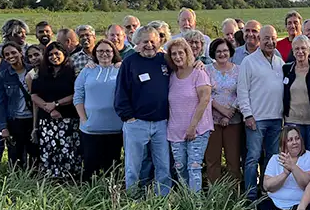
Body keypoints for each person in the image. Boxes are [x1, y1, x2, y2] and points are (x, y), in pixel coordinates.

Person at [115, 26, 172, 195]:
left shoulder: (164, 60)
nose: (149, 45)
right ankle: (133, 196)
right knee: (134, 165)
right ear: (137, 43)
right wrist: (128, 117)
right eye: (145, 41)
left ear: (159, 42)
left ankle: (162, 197)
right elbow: (121, 92)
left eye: (153, 41)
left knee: (163, 165)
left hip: (161, 123)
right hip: (136, 122)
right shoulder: (129, 62)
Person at [237, 25, 285, 200]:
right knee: (252, 158)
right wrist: (247, 115)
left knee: (272, 158)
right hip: (256, 119)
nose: (270, 42)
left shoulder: (280, 62)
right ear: (259, 40)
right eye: (266, 38)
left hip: (276, 119)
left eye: (273, 38)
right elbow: (242, 91)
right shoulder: (248, 62)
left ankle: (267, 192)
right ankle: (250, 195)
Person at [164, 36, 213, 192]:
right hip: (175, 130)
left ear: (187, 53)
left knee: (194, 167)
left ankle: (195, 204)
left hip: (197, 129)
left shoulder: (199, 72)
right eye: (173, 54)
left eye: (181, 53)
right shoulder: (171, 76)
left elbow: (205, 99)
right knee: (180, 168)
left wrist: (193, 126)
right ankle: (185, 200)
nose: (177, 57)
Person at [74, 39, 124, 183]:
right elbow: (78, 95)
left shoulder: (120, 70)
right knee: (90, 165)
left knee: (112, 166)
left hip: (115, 128)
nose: (104, 54)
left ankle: (112, 195)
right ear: (95, 53)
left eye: (108, 51)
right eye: (100, 51)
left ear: (114, 52)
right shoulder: (87, 70)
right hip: (91, 128)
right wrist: (84, 119)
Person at [30, 42, 81, 181]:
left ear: (64, 54)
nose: (54, 57)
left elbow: (76, 94)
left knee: (68, 149)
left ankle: (69, 179)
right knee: (49, 149)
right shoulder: (42, 72)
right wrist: (47, 107)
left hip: (68, 119)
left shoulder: (72, 72)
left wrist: (56, 104)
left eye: (57, 53)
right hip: (46, 120)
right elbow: (34, 94)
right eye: (50, 54)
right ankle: (51, 178)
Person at [205, 38, 242, 188]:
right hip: (212, 121)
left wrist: (229, 113)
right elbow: (205, 94)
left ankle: (234, 194)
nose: (222, 54)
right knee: (212, 160)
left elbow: (242, 92)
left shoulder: (239, 70)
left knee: (233, 159)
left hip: (234, 121)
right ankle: (215, 194)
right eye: (219, 51)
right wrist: (222, 112)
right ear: (213, 52)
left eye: (225, 51)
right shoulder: (206, 70)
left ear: (230, 52)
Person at [258, 125, 310, 210]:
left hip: (300, 205)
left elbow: (306, 185)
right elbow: (267, 186)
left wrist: (293, 167)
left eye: (297, 138)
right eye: (290, 140)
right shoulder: (275, 159)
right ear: (283, 143)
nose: (295, 142)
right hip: (275, 203)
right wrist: (285, 174)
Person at [0, 42, 37, 169]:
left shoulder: (33, 70)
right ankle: (17, 183)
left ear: (21, 53)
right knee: (15, 157)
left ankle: (36, 182)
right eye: (6, 54)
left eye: (13, 52)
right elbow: (1, 103)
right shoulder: (4, 76)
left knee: (36, 154)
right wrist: (4, 127)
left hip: (33, 119)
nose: (10, 56)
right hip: (15, 120)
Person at [283, 35, 310, 153]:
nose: (300, 52)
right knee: (295, 155)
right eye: (296, 49)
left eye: (303, 48)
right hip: (292, 121)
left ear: (309, 49)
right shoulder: (286, 69)